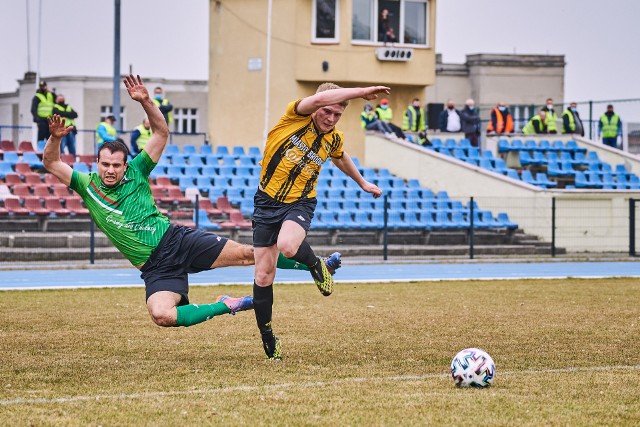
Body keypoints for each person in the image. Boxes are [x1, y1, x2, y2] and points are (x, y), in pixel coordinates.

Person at [42, 75, 341, 330]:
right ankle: (228, 304)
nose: (110, 170)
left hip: (177, 241)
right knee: (161, 315)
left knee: (250, 254)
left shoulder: (139, 169)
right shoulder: (86, 185)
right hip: (155, 268)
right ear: (96, 163)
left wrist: (146, 101)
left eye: (116, 165)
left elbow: (161, 132)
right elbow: (52, 162)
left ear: (125, 165)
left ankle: (315, 267)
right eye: (105, 164)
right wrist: (54, 137)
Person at [253, 82, 387, 360]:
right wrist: (361, 92)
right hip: (266, 202)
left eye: (337, 115)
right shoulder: (295, 116)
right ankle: (268, 336)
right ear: (316, 105)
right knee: (264, 275)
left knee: (288, 246)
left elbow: (340, 156)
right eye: (327, 111)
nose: (331, 118)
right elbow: (322, 98)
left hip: (300, 201)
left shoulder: (333, 138)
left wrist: (362, 182)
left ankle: (316, 265)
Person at [31, 81, 55, 147]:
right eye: (42, 86)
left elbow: (57, 101)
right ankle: (40, 152)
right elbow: (33, 109)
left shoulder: (50, 95)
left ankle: (49, 152)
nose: (43, 87)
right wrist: (38, 119)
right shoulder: (37, 96)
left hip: (50, 120)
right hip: (41, 120)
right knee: (41, 137)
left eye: (44, 86)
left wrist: (52, 92)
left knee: (50, 137)